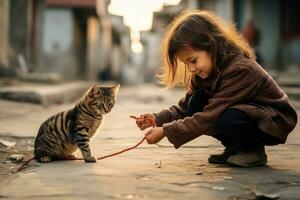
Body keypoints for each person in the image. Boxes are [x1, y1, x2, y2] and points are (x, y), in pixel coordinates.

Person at [132, 10, 298, 167]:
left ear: (211, 46)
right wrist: (157, 119)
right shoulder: (207, 72)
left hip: (273, 120)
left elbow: (210, 116)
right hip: (248, 113)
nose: (191, 69)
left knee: (227, 117)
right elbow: (185, 108)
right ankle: (236, 147)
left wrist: (166, 131)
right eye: (186, 64)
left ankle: (253, 150)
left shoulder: (240, 70)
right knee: (196, 102)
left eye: (193, 60)